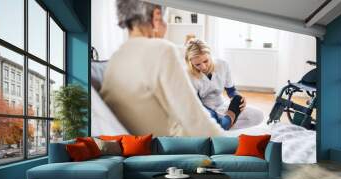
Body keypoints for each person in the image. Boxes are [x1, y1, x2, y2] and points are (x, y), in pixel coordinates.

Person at [100, 0, 226, 136]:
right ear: (157, 16)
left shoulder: (115, 59)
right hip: (176, 148)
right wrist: (231, 148)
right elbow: (196, 121)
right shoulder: (161, 50)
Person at [185, 39, 264, 130]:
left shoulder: (223, 65)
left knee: (258, 116)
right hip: (203, 110)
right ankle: (223, 125)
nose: (203, 67)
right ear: (191, 63)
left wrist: (238, 98)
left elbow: (231, 90)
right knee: (202, 123)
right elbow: (197, 104)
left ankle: (221, 126)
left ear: (210, 55)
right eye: (197, 64)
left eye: (206, 61)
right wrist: (214, 116)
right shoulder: (188, 75)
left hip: (222, 106)